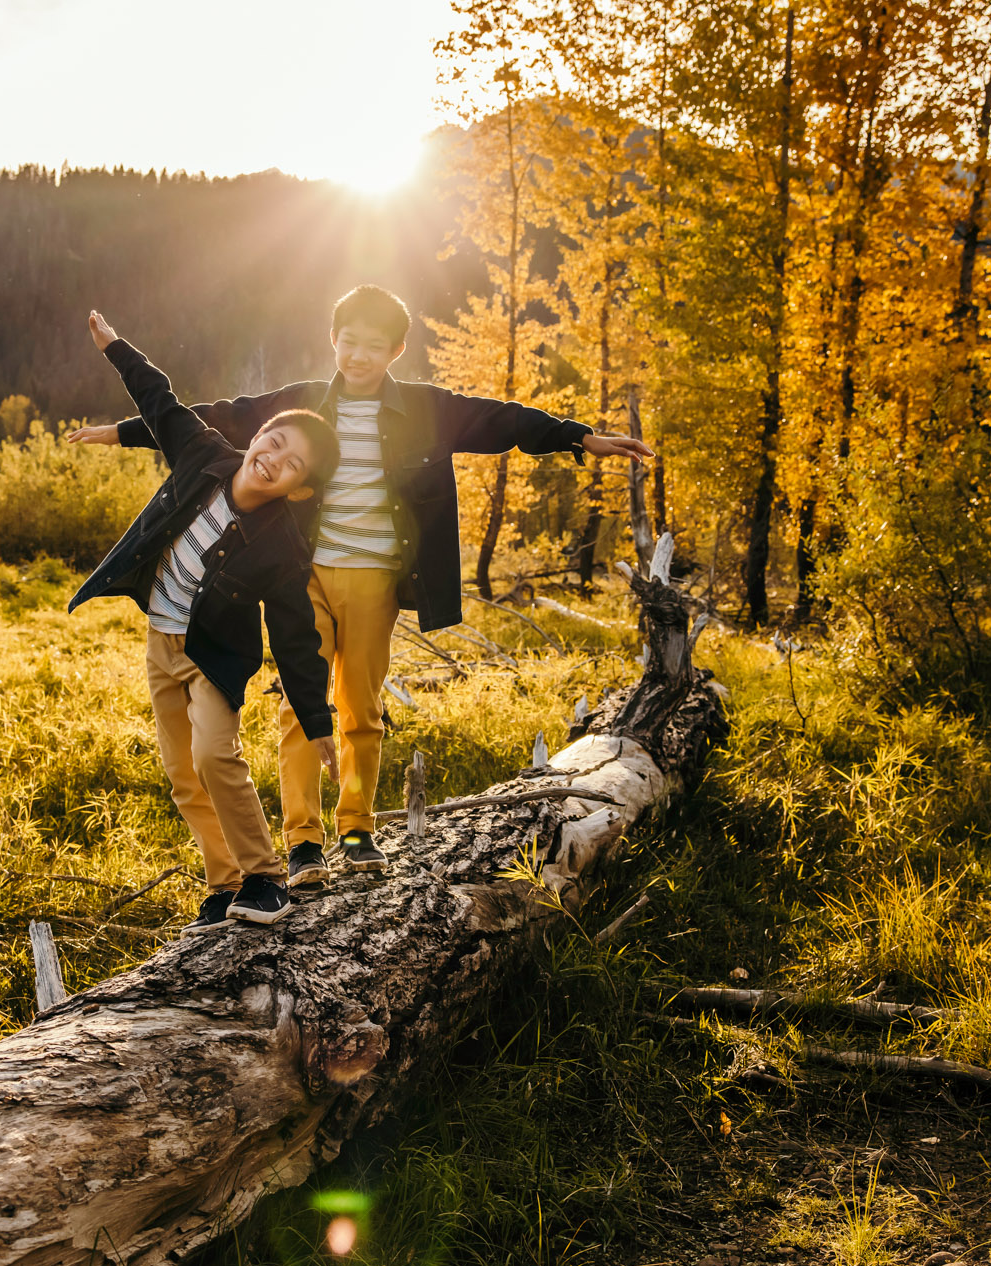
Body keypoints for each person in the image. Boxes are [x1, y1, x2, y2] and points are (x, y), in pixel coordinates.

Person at [70, 285, 651, 884]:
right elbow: (216, 416)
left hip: (377, 579)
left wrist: (579, 437)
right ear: (333, 339)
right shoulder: (302, 402)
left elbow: (501, 419)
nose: (359, 355)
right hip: (305, 573)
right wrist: (123, 432)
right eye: (349, 341)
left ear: (397, 350)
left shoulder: (427, 408)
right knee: (303, 704)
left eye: (375, 346)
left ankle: (357, 826)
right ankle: (303, 842)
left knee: (362, 709)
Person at [68, 310, 341, 931]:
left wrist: (315, 718)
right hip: (159, 643)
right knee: (182, 775)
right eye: (273, 442)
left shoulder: (283, 549)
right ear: (258, 437)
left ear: (299, 490)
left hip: (212, 658)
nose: (273, 459)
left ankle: (265, 877)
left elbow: (296, 637)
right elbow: (161, 403)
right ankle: (222, 886)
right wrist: (116, 349)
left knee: (217, 755)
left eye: (292, 464)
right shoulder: (203, 456)